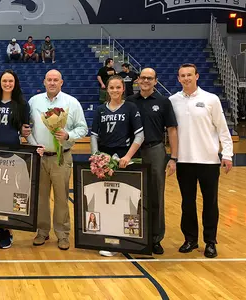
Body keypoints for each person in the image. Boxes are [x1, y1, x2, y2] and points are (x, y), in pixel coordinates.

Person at [170, 63, 233, 258]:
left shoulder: (211, 99)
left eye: (189, 75)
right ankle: (190, 239)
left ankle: (210, 242)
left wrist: (228, 154)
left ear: (197, 76)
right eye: (182, 75)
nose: (186, 78)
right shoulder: (172, 101)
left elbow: (223, 129)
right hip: (184, 161)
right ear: (178, 79)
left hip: (209, 161)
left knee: (210, 203)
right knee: (187, 203)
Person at [28, 69, 88, 250]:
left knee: (62, 198)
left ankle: (62, 234)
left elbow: (83, 128)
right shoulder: (34, 102)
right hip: (40, 158)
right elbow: (26, 128)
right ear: (44, 82)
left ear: (61, 82)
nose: (52, 83)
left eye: (56, 80)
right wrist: (33, 144)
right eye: (49, 80)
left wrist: (68, 135)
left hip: (62, 157)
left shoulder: (72, 102)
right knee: (40, 198)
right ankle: (42, 231)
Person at [90, 75, 144, 256]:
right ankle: (108, 239)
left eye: (117, 87)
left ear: (123, 89)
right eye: (111, 87)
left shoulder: (130, 107)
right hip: (104, 159)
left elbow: (139, 136)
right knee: (105, 201)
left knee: (124, 200)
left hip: (123, 159)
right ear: (107, 89)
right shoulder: (100, 110)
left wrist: (128, 156)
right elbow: (94, 136)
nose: (114, 90)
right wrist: (96, 156)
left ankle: (127, 238)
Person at [0, 69, 32, 249]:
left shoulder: (22, 105)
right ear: (0, 83)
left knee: (10, 192)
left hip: (13, 153)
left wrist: (36, 145)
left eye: (10, 81)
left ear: (15, 83)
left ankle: (8, 231)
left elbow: (25, 130)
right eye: (4, 81)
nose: (7, 84)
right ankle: (1, 230)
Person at [126, 68, 178, 255]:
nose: (146, 81)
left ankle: (156, 237)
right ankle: (133, 234)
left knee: (156, 194)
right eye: (143, 78)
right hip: (133, 151)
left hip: (155, 150)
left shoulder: (164, 102)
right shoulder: (130, 101)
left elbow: (172, 130)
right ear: (138, 80)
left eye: (150, 78)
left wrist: (173, 157)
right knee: (132, 194)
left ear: (156, 81)